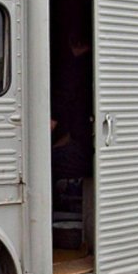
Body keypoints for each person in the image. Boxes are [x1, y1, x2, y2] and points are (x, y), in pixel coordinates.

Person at [51, 29, 93, 184]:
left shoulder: (74, 70)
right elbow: (74, 132)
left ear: (72, 44)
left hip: (85, 152)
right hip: (91, 146)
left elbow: (52, 122)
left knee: (44, 166)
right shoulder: (96, 66)